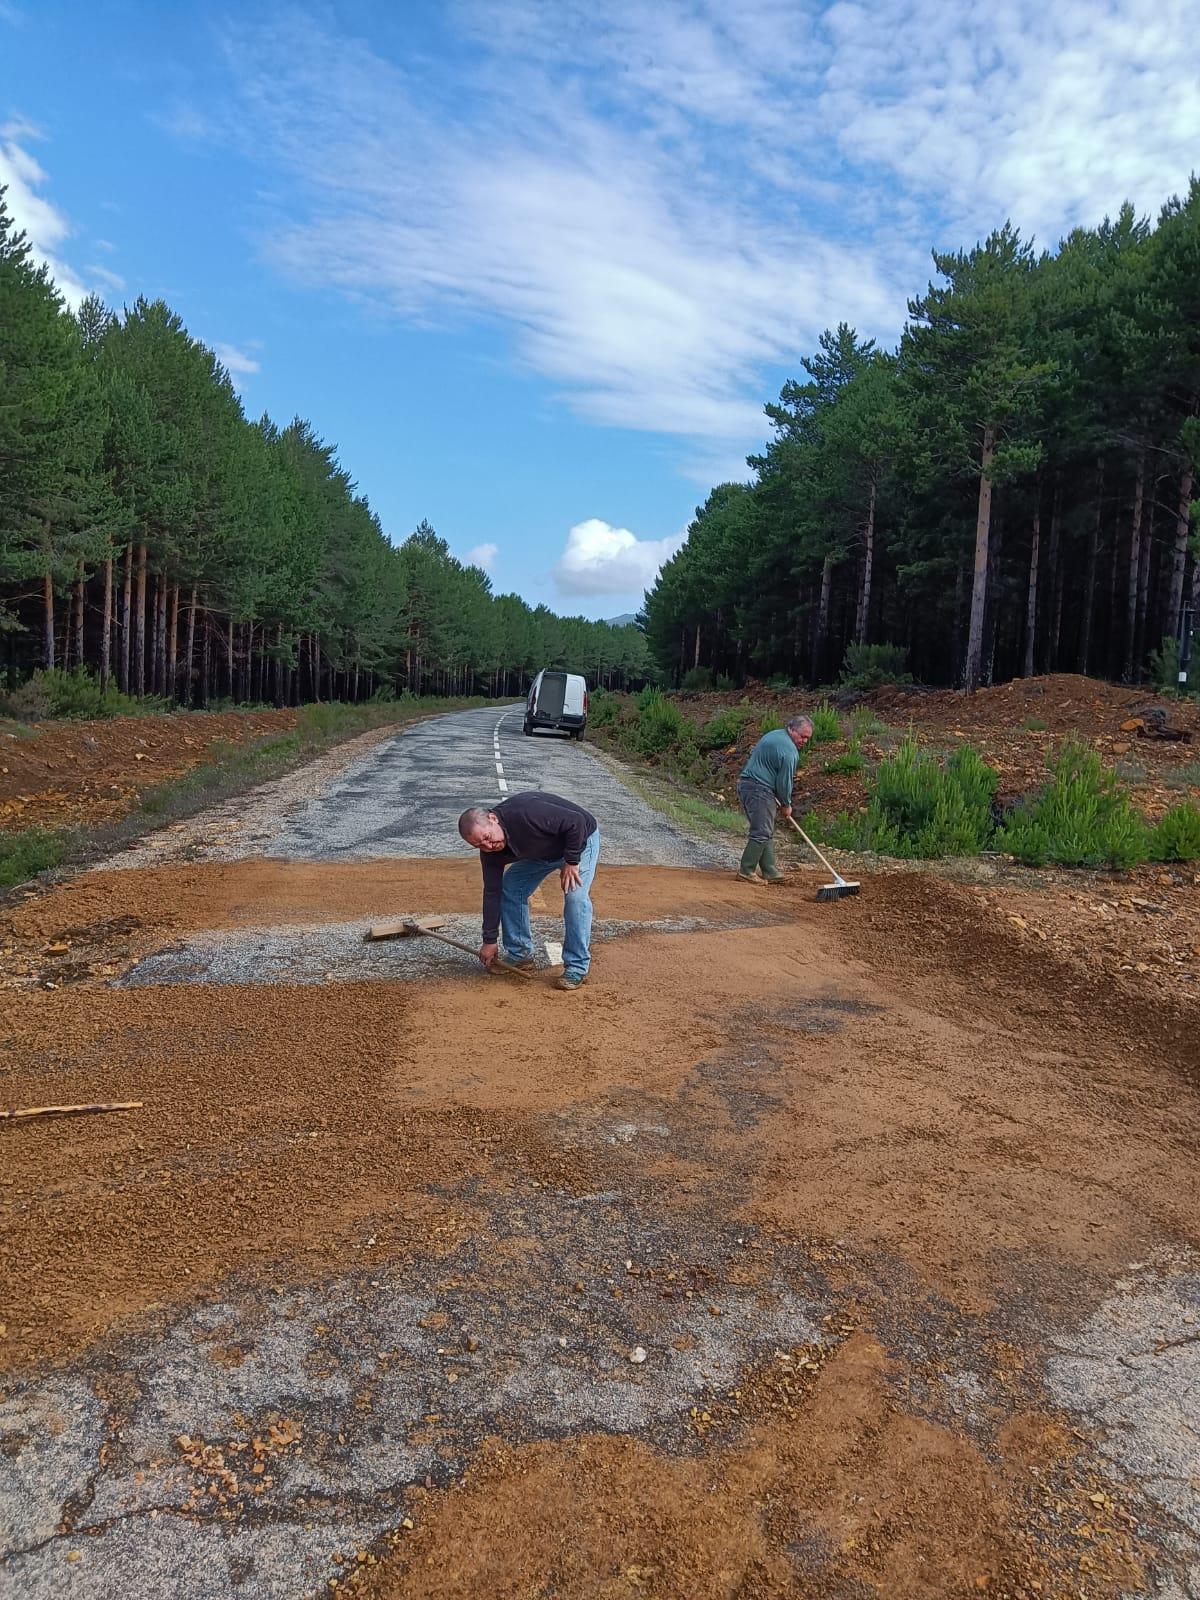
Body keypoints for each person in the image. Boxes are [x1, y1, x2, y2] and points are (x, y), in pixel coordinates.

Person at [457, 792, 600, 991]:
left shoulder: (525, 814)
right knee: (510, 888)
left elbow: (575, 821)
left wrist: (572, 860)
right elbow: (492, 892)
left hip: (579, 841)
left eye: (487, 838)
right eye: (479, 845)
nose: (488, 846)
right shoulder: (490, 853)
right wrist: (489, 940)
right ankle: (520, 955)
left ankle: (577, 966)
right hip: (542, 852)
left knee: (575, 897)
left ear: (493, 818)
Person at [736, 715, 813, 884]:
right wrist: (786, 804)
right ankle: (746, 870)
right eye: (802, 736)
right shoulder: (790, 752)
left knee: (766, 828)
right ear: (792, 729)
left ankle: (770, 870)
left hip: (747, 784)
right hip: (759, 789)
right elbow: (784, 782)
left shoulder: (774, 734)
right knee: (762, 831)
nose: (804, 741)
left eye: (807, 738)